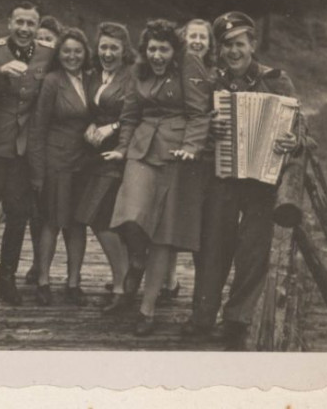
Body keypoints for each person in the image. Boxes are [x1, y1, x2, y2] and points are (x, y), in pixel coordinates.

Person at [180, 11, 302, 350]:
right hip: (223, 177)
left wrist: (293, 140)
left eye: (239, 44)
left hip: (262, 179)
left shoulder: (277, 81)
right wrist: (210, 128)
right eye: (226, 45)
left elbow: (302, 131)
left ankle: (236, 320)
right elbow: (192, 123)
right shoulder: (212, 83)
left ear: (252, 45)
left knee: (253, 251)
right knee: (212, 246)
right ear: (218, 49)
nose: (233, 51)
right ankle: (203, 316)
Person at [103, 19, 213, 336]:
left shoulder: (188, 66)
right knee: (129, 216)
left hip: (176, 156)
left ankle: (147, 309)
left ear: (174, 51)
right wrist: (122, 149)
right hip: (141, 150)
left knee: (163, 235)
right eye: (152, 49)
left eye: (164, 49)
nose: (157, 55)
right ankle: (137, 260)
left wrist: (191, 147)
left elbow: (199, 113)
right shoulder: (139, 71)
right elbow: (129, 116)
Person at [0, 1, 55, 306]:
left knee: (18, 216)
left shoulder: (47, 53)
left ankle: (7, 278)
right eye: (20, 22)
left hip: (23, 150)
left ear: (38, 25)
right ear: (9, 23)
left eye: (31, 23)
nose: (25, 29)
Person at [28, 28, 93, 306]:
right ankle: (43, 281)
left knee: (77, 225)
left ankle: (74, 282)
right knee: (52, 222)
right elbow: (38, 127)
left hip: (83, 162)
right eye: (66, 51)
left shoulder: (91, 79)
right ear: (59, 53)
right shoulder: (52, 81)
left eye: (78, 51)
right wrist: (37, 171)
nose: (72, 56)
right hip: (57, 161)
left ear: (85, 53)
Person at [74, 22, 135, 314]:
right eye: (103, 47)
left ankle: (123, 287)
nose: (107, 53)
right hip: (93, 156)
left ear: (124, 50)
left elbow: (138, 113)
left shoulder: (132, 76)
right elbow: (87, 108)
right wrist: (89, 124)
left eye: (114, 48)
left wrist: (112, 127)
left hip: (118, 154)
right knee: (103, 220)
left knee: (101, 220)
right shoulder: (94, 75)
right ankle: (123, 281)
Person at [156, 18, 218, 305]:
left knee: (198, 225)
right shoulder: (177, 68)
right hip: (181, 149)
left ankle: (199, 293)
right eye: (192, 36)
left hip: (208, 154)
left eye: (203, 38)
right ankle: (168, 281)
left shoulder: (216, 72)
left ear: (210, 43)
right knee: (171, 220)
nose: (197, 41)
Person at [23, 14, 63, 285]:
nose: (43, 43)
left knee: (49, 212)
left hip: (52, 147)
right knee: (33, 211)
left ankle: (43, 264)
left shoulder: (60, 73)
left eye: (49, 39)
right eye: (39, 39)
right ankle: (37, 261)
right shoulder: (30, 66)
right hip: (27, 142)